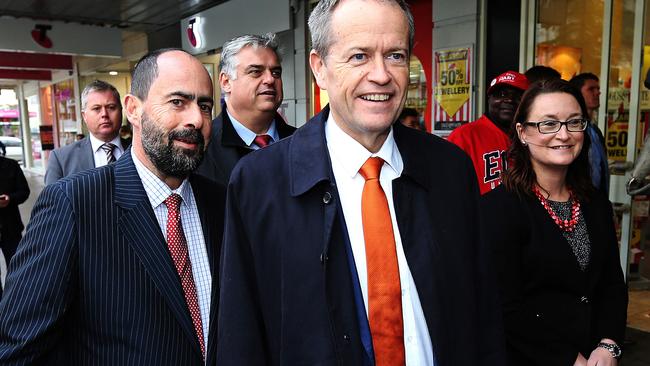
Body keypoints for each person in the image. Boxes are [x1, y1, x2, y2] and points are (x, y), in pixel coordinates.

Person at [216, 0, 504, 365]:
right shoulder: (260, 182)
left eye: (396, 55)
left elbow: (483, 313)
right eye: (359, 57)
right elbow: (240, 333)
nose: (381, 75)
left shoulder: (450, 169)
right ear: (319, 69)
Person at [0, 49, 225, 365]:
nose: (196, 119)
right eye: (178, 102)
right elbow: (19, 348)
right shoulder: (74, 203)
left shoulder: (220, 203)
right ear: (134, 109)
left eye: (204, 105)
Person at [481, 79, 627, 366]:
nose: (564, 134)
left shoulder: (594, 202)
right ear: (522, 132)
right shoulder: (499, 208)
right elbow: (505, 306)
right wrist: (570, 359)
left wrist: (608, 344)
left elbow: (611, 282)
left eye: (574, 122)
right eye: (548, 124)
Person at [196, 33, 296, 186]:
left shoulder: (303, 141)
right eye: (256, 71)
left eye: (276, 72)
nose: (270, 79)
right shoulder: (200, 148)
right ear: (226, 81)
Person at [448, 71, 529, 194]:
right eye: (501, 94)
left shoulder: (534, 136)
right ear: (489, 98)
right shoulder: (464, 135)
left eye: (518, 97)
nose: (509, 100)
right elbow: (450, 188)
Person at [45, 80, 130, 185]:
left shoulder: (141, 151)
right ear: (84, 116)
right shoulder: (61, 159)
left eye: (111, 107)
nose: (104, 114)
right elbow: (52, 200)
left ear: (121, 111)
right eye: (96, 109)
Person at [570, 73, 609, 196]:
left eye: (598, 89)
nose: (597, 93)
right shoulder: (569, 129)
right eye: (591, 89)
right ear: (577, 93)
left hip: (597, 201)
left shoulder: (595, 131)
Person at [0, 155, 29, 298]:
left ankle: (14, 303)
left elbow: (24, 191)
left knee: (16, 268)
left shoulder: (11, 165)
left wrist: (10, 199)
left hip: (10, 228)